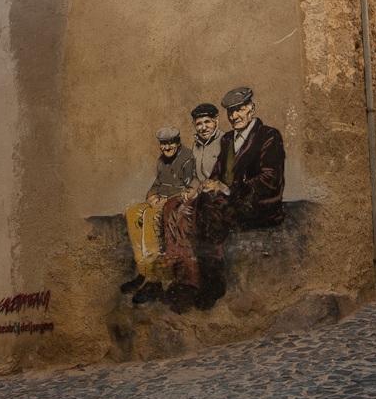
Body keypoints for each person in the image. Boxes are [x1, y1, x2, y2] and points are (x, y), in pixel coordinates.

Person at [193, 87, 285, 308]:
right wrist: (210, 185)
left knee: (214, 210)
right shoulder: (227, 140)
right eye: (230, 112)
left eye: (240, 109)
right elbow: (218, 173)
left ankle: (213, 283)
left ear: (251, 109)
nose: (234, 116)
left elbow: (270, 180)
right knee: (202, 203)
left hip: (260, 204)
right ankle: (199, 279)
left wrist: (228, 189)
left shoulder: (269, 136)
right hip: (234, 201)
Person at [122, 126, 194, 305]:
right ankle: (143, 271)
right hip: (160, 201)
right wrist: (152, 195)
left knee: (151, 216)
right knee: (132, 213)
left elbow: (189, 187)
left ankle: (153, 278)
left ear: (177, 142)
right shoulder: (161, 161)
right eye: (163, 144)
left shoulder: (187, 158)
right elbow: (157, 183)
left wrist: (166, 199)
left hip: (176, 204)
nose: (167, 147)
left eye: (170, 143)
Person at [161, 104, 223, 310]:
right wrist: (190, 189)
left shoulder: (225, 142)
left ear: (216, 121)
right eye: (199, 124)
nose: (203, 127)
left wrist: (215, 186)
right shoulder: (197, 146)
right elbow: (197, 177)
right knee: (171, 206)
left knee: (186, 213)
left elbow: (228, 174)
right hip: (201, 193)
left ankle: (195, 278)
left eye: (207, 122)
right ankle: (181, 273)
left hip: (218, 195)